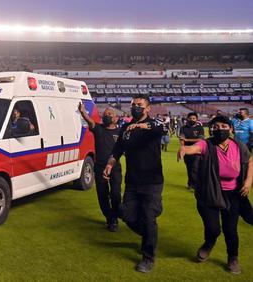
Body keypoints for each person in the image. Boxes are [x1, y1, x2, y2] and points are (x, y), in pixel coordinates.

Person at [177, 115, 253, 274]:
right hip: (209, 193)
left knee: (230, 229)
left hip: (233, 194)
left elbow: (249, 161)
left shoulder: (239, 146)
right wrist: (185, 149)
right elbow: (195, 148)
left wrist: (248, 182)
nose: (220, 130)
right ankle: (208, 243)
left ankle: (233, 258)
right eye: (216, 127)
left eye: (224, 127)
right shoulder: (207, 144)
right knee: (213, 228)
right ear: (211, 129)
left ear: (231, 129)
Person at [103, 94, 167, 273]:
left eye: (139, 105)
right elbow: (118, 149)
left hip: (152, 181)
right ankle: (149, 232)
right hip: (132, 181)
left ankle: (148, 257)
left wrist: (141, 125)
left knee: (148, 216)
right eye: (133, 105)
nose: (135, 107)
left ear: (148, 108)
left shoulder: (154, 125)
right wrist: (110, 164)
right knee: (128, 216)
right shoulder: (125, 128)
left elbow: (161, 128)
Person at [79, 103, 122, 232]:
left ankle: (115, 214)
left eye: (110, 114)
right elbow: (90, 122)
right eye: (105, 114)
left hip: (115, 168)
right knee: (102, 195)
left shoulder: (120, 132)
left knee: (115, 194)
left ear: (116, 118)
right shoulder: (98, 129)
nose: (106, 116)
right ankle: (111, 219)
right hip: (99, 168)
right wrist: (83, 113)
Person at [180, 112, 205, 189]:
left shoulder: (200, 128)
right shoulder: (183, 128)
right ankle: (190, 183)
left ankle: (195, 184)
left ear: (197, 119)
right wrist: (182, 148)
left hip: (197, 150)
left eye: (193, 118)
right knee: (189, 167)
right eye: (190, 118)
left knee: (195, 167)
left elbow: (200, 139)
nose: (192, 120)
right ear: (187, 119)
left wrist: (187, 139)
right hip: (187, 150)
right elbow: (181, 139)